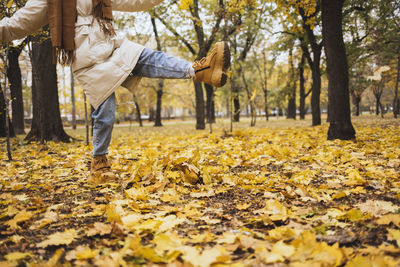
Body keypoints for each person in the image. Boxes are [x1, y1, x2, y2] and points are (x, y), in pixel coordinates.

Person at [0, 0, 230, 184]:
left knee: (148, 57)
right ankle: (99, 162)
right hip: (87, 62)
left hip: (114, 46)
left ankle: (200, 71)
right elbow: (18, 24)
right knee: (106, 110)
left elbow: (136, 1)